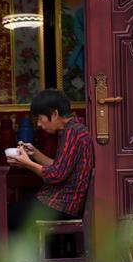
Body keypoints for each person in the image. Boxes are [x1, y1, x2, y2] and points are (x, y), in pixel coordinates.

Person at [6, 88, 94, 224]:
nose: (39, 124)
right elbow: (59, 166)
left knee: (2, 215)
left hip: (61, 205)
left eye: (40, 119)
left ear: (54, 114)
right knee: (9, 209)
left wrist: (27, 163)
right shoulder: (74, 129)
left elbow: (56, 174)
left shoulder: (72, 133)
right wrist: (35, 153)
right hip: (57, 202)